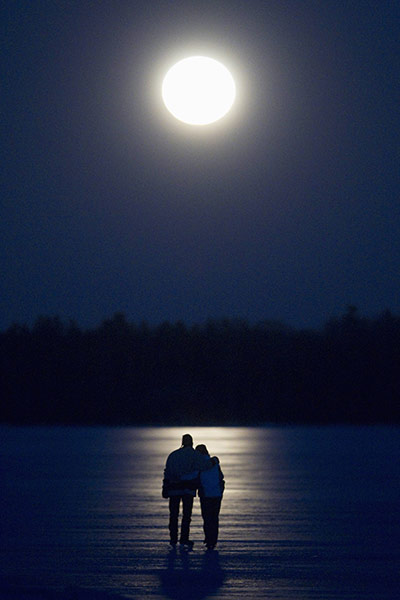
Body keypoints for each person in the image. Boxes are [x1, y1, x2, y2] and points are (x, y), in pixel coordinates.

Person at [162, 434, 214, 547]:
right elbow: (205, 466)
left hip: (173, 490)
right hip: (188, 490)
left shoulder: (173, 455)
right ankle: (184, 539)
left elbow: (167, 472)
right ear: (191, 442)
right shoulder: (195, 455)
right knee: (186, 515)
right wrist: (214, 461)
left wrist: (165, 486)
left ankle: (173, 539)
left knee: (173, 515)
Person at [195, 444, 224, 550]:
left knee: (207, 518)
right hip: (216, 494)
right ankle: (213, 540)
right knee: (214, 518)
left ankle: (208, 539)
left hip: (206, 495)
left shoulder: (198, 465)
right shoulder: (215, 464)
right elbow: (221, 477)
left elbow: (196, 479)